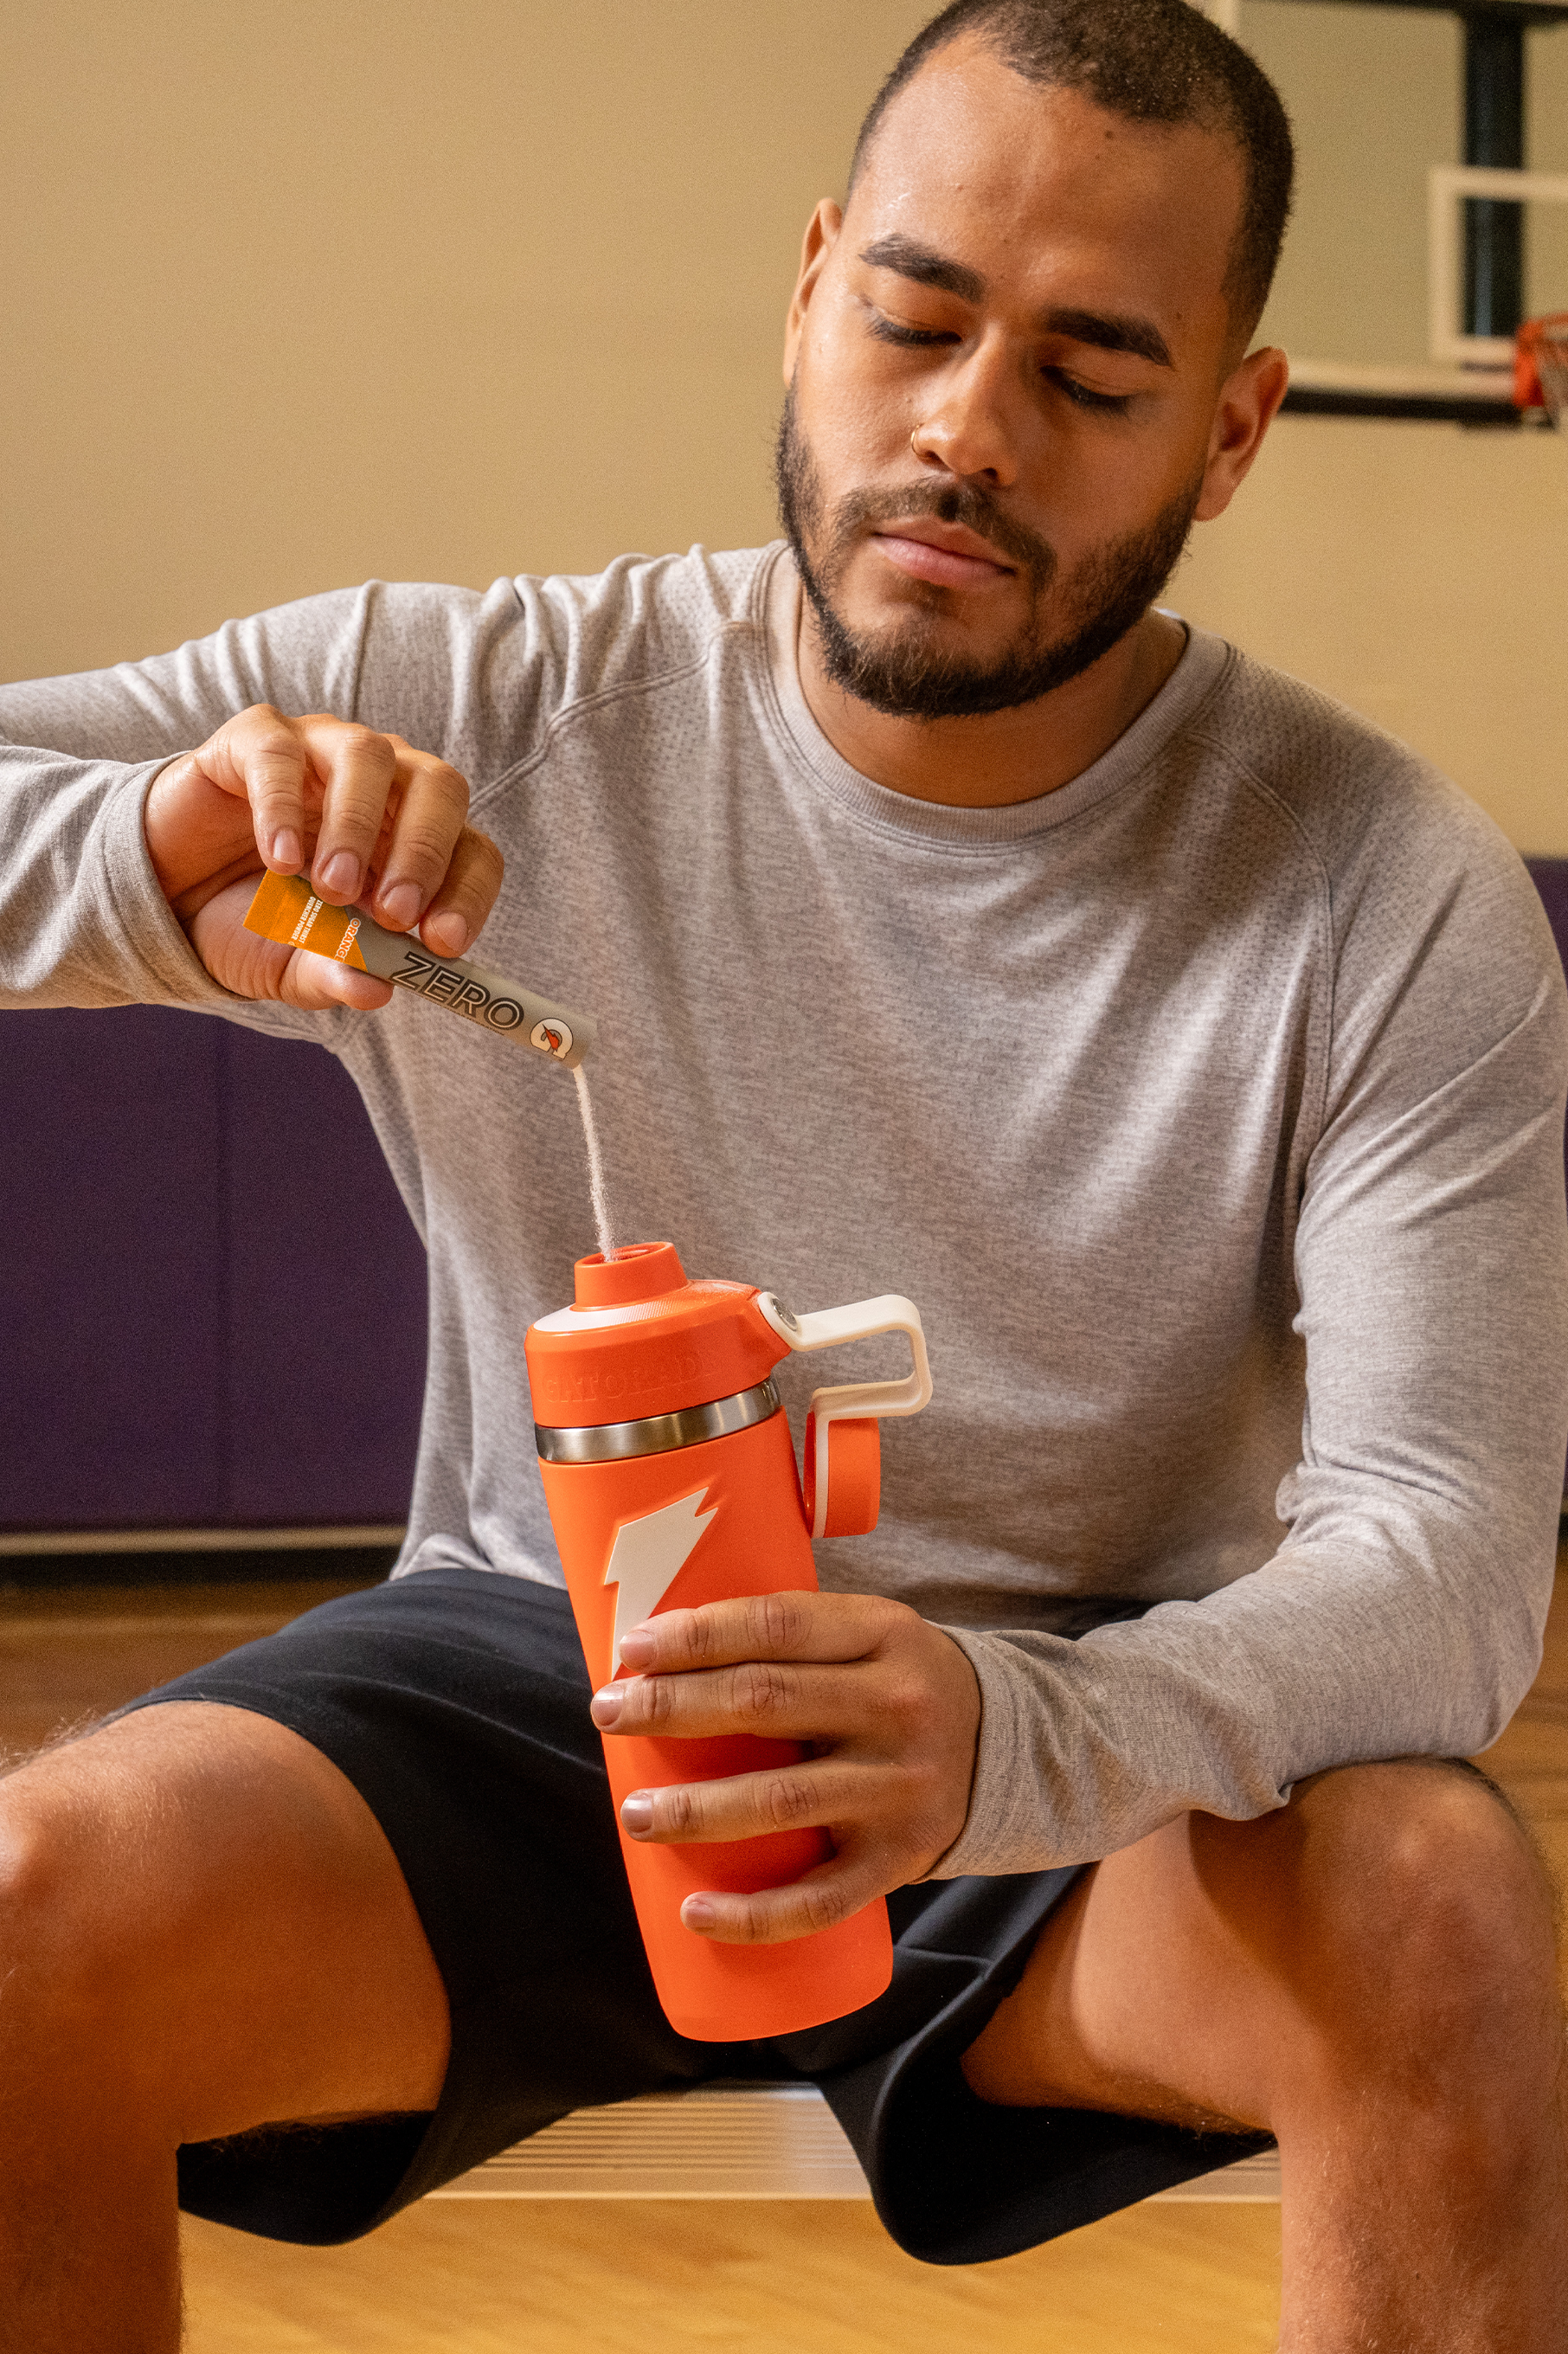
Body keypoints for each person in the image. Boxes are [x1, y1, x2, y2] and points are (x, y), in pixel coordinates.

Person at [2, 0, 1565, 2343]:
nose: (959, 430)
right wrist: (144, 860)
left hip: (1086, 1736)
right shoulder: (485, 698)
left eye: (1091, 376)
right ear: (813, 274)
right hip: (547, 1664)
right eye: (914, 317)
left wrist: (1017, 1740)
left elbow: (1441, 1559)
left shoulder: (1380, 888)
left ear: (1229, 431)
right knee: (26, 1909)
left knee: (1433, 1906)